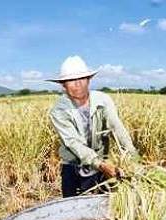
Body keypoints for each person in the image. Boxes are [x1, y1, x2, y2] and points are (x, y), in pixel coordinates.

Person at [47, 55, 139, 197]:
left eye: (81, 79)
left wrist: (133, 158)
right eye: (71, 81)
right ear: (63, 85)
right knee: (73, 207)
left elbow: (116, 128)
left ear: (89, 80)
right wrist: (101, 164)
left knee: (102, 205)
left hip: (101, 163)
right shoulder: (59, 111)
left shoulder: (103, 100)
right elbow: (73, 143)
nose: (77, 84)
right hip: (73, 165)